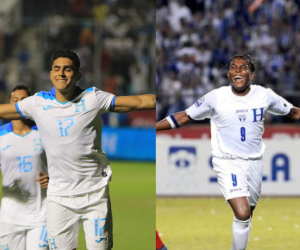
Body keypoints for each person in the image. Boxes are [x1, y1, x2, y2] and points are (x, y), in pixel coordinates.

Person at [0, 49, 155, 250]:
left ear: (78, 75)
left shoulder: (93, 98)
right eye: (57, 69)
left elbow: (140, 102)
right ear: (50, 73)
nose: (61, 74)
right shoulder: (37, 103)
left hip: (95, 193)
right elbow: (4, 110)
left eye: (67, 69)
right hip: (58, 198)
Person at [156, 54, 300, 250]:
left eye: (243, 67)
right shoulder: (216, 97)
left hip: (255, 163)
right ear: (228, 73)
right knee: (242, 213)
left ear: (252, 74)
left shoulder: (264, 95)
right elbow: (185, 116)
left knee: (245, 217)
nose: (238, 70)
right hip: (227, 161)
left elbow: (293, 112)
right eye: (234, 67)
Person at [0, 85, 49, 250]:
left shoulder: (44, 133)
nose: (19, 105)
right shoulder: (0, 136)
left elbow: (62, 165)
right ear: (8, 104)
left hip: (41, 213)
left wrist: (53, 178)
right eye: (15, 101)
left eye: (23, 101)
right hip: (10, 215)